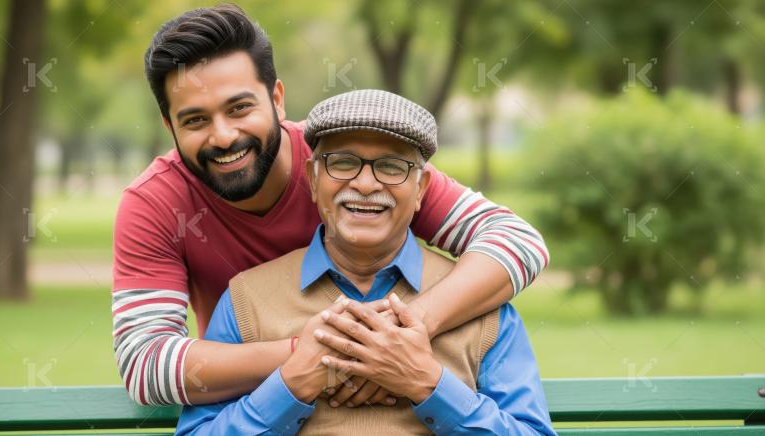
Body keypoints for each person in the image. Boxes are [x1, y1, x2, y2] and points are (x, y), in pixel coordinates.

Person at [113, 3, 549, 407]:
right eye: (195, 119)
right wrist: (312, 355)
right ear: (169, 124)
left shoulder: (346, 166)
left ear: (277, 99)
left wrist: (399, 333)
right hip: (262, 408)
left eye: (239, 108)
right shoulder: (155, 204)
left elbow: (518, 241)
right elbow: (144, 362)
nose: (223, 136)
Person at [175, 89, 555, 435]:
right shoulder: (246, 300)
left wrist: (427, 383)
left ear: (421, 189)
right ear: (312, 179)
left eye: (390, 166)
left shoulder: (480, 304)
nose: (366, 184)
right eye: (342, 163)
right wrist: (290, 387)